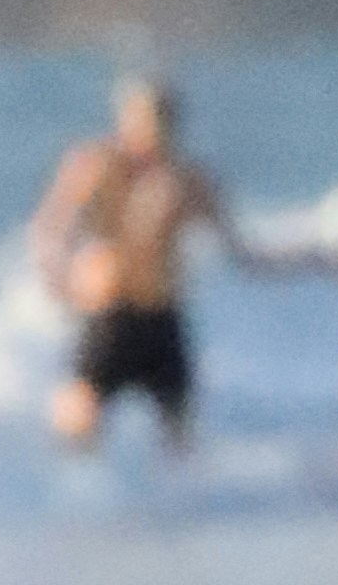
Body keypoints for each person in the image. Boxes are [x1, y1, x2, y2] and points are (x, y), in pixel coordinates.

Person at [30, 75, 242, 452]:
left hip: (162, 316)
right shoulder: (97, 164)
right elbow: (50, 227)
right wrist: (64, 280)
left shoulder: (186, 179)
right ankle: (62, 496)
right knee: (77, 426)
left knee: (179, 439)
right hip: (110, 316)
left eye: (161, 118)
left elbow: (236, 246)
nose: (152, 128)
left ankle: (182, 506)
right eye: (143, 116)